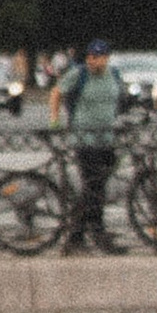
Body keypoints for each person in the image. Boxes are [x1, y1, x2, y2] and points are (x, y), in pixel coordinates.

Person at [55, 38, 123, 247]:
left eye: (98, 57)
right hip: (84, 138)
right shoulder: (79, 73)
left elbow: (118, 100)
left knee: (97, 185)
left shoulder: (114, 75)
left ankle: (77, 233)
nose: (93, 61)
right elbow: (56, 92)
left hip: (107, 137)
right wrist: (54, 119)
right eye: (90, 56)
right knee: (93, 185)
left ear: (106, 58)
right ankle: (96, 230)